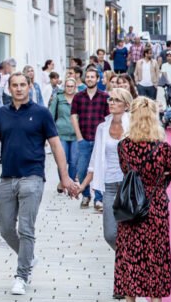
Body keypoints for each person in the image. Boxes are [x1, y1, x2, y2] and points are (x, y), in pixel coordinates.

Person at [0, 72, 78, 295]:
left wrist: (64, 178)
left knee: (26, 229)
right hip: (7, 178)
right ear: (9, 88)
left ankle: (21, 275)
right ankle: (29, 257)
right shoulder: (1, 114)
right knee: (6, 229)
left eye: (22, 85)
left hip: (32, 177)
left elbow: (56, 146)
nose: (18, 89)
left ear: (29, 86)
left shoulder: (42, 113)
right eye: (14, 85)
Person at [115, 97, 171, 302]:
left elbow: (125, 171)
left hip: (131, 205)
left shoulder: (124, 146)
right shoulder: (162, 147)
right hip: (155, 206)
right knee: (156, 257)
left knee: (129, 256)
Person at [80, 88, 133, 258]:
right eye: (111, 99)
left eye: (117, 100)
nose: (112, 103)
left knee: (131, 232)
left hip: (129, 185)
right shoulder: (102, 127)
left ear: (126, 105)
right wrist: (83, 186)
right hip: (110, 185)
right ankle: (128, 259)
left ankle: (130, 265)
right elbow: (95, 160)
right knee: (110, 234)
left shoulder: (133, 125)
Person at [71, 66, 109, 211]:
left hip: (100, 140)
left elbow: (107, 119)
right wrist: (79, 137)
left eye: (92, 77)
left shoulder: (105, 97)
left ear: (98, 79)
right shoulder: (78, 96)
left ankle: (99, 199)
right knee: (81, 169)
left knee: (99, 169)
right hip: (84, 138)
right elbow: (74, 116)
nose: (89, 79)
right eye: (87, 77)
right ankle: (86, 194)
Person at [49, 74, 78, 193]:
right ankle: (63, 181)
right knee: (62, 159)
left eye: (72, 86)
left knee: (74, 160)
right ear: (64, 86)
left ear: (75, 87)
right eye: (67, 86)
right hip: (61, 133)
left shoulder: (79, 99)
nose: (70, 88)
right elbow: (51, 115)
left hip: (76, 134)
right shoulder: (58, 98)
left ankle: (69, 183)